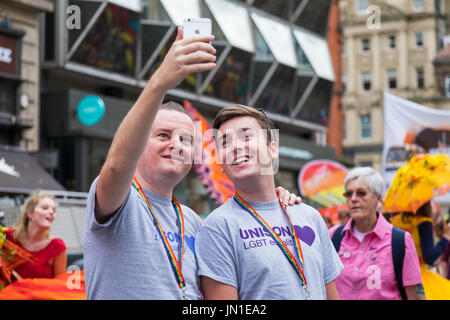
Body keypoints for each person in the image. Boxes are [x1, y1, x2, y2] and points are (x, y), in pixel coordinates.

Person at [83, 28, 299, 300]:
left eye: (186, 139)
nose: (177, 144)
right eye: (163, 135)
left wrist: (274, 203)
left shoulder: (193, 222)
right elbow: (116, 166)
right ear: (139, 144)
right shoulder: (121, 202)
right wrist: (159, 83)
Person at [195, 105, 343, 300]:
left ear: (272, 149)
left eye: (246, 136)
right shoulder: (218, 227)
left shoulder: (310, 216)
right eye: (225, 143)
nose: (236, 147)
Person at [329, 167, 425, 300]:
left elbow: (416, 296)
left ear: (377, 198)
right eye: (349, 194)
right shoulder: (334, 236)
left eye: (361, 193)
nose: (354, 199)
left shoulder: (400, 240)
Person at [390, 201, 450, 299]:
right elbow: (429, 257)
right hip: (419, 277)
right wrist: (445, 239)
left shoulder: (394, 221)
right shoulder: (424, 222)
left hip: (396, 276)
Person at [3, 192, 66, 280]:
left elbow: (59, 287)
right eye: (45, 208)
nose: (52, 212)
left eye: (54, 210)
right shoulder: (7, 236)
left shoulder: (57, 247)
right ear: (30, 213)